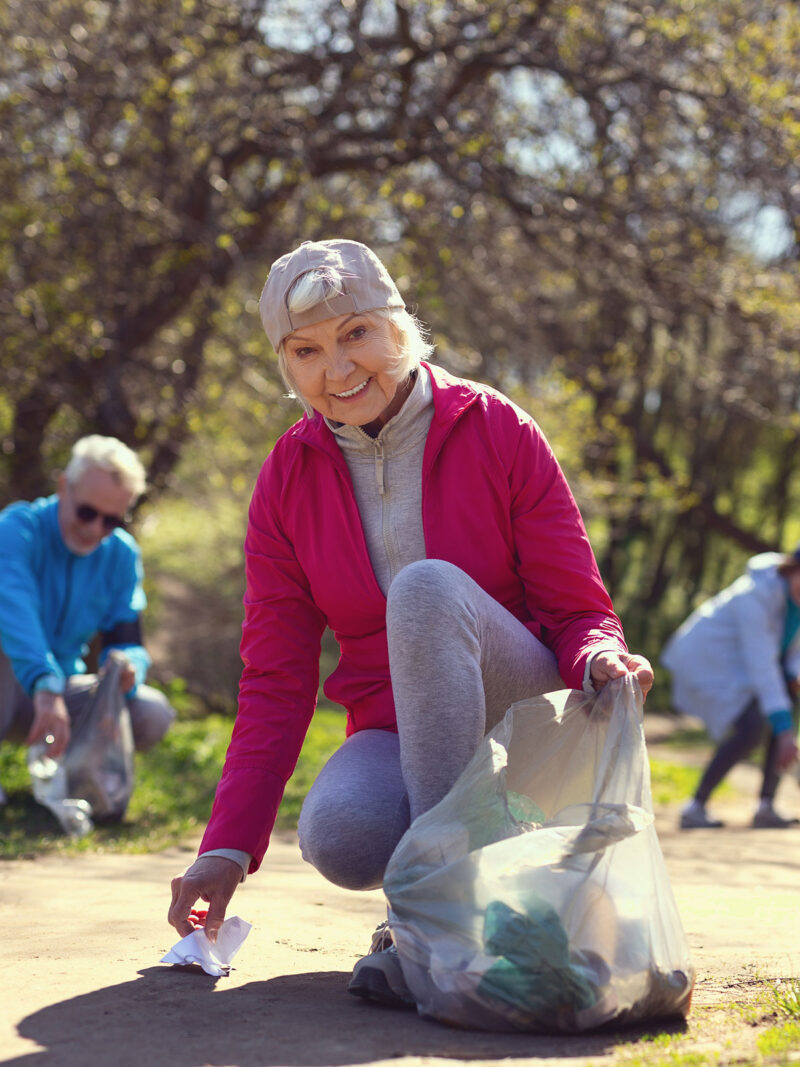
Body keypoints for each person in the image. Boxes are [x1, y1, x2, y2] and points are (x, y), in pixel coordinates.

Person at [167, 238, 654, 1008]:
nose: (338, 368)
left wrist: (600, 653)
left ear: (398, 324)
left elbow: (577, 609)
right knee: (342, 831)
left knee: (425, 590)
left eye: (355, 332)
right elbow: (275, 680)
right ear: (286, 364)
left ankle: (432, 920)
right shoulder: (286, 480)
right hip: (400, 730)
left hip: (523, 723)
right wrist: (225, 849)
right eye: (308, 349)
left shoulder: (496, 427)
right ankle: (460, 900)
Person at [0, 435, 176, 800]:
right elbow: (14, 611)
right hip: (14, 685)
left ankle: (81, 777)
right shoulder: (17, 530)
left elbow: (127, 639)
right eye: (86, 512)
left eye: (111, 520)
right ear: (64, 486)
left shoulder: (121, 556)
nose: (95, 529)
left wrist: (129, 667)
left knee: (151, 712)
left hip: (61, 693)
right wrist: (44, 685)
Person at [662, 550, 800, 830]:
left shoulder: (795, 603)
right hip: (707, 663)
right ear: (792, 569)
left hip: (744, 669)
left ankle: (766, 806)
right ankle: (695, 806)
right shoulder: (755, 595)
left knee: (783, 703)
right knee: (753, 727)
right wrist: (786, 732)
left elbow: (792, 654)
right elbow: (762, 664)